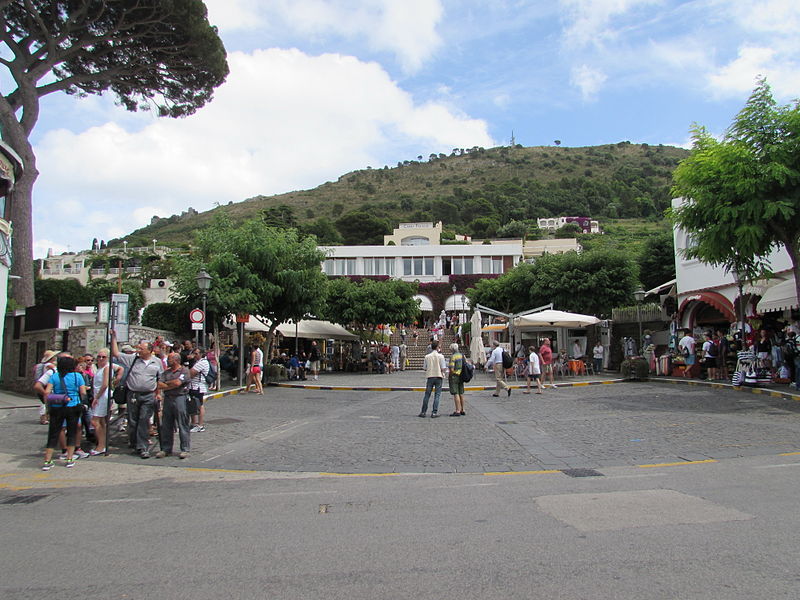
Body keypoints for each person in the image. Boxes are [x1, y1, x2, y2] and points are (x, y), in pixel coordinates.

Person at [111, 332, 164, 459]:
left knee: (144, 420)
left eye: (141, 348)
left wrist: (158, 394)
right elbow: (116, 353)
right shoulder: (133, 359)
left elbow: (159, 380)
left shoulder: (157, 362)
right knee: (133, 420)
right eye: (138, 348)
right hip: (133, 394)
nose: (138, 350)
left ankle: (143, 447)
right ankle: (135, 443)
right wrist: (113, 338)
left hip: (148, 395)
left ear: (149, 351)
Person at [41, 356, 86, 470]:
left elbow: (47, 392)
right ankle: (70, 459)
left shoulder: (55, 376)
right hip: (73, 406)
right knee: (72, 432)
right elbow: (83, 392)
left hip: (57, 407)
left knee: (53, 433)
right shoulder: (77, 376)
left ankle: (47, 460)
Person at [156, 352, 191, 459]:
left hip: (180, 398)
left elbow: (178, 383)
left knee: (182, 423)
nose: (167, 361)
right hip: (168, 399)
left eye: (170, 359)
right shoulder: (166, 372)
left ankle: (185, 449)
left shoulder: (184, 371)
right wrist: (169, 385)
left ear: (176, 360)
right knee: (166, 424)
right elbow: (159, 384)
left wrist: (167, 385)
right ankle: (166, 449)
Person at [90, 348, 123, 456]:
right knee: (102, 422)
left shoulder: (107, 368)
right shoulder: (100, 368)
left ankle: (101, 446)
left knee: (95, 421)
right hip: (99, 395)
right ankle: (102, 444)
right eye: (99, 356)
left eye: (103, 357)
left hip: (102, 396)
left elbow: (105, 384)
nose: (100, 359)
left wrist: (97, 397)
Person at [418, 340, 448, 418]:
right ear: (437, 347)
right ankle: (434, 412)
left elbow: (424, 368)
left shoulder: (427, 356)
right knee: (437, 395)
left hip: (430, 376)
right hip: (438, 376)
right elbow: (443, 368)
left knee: (427, 395)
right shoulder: (441, 356)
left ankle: (423, 412)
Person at [33, 349, 58, 425]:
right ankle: (44, 417)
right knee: (45, 402)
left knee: (45, 402)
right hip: (46, 385)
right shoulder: (49, 365)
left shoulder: (44, 365)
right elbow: (55, 370)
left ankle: (46, 417)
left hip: (44, 384)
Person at [188, 348, 210, 432]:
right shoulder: (196, 362)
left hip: (198, 387)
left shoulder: (202, 363)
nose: (194, 355)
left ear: (201, 354)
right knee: (193, 405)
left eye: (196, 354)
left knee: (199, 405)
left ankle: (200, 425)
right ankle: (194, 423)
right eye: (194, 353)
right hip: (193, 386)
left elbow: (191, 373)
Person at [447, 342, 466, 416]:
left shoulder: (453, 357)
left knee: (456, 393)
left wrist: (450, 375)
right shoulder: (462, 355)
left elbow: (451, 368)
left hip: (455, 376)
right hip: (462, 375)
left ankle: (457, 410)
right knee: (461, 392)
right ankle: (463, 409)